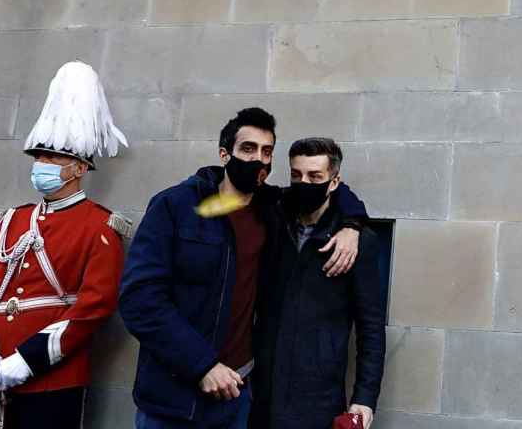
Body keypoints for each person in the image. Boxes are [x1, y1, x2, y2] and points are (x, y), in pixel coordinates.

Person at [119, 109, 368, 428]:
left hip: (237, 397)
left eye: (267, 152)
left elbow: (329, 188)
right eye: (248, 149)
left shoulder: (272, 208)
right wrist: (202, 366)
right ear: (225, 154)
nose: (258, 160)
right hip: (174, 400)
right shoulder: (174, 205)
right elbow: (139, 301)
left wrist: (352, 225)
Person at [0, 61, 131, 428]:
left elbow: (93, 308)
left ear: (79, 168)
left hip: (53, 381)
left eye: (54, 157)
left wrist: (25, 360)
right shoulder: (10, 221)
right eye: (39, 156)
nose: (42, 163)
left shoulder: (100, 227)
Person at [253, 138, 386, 429]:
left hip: (316, 401)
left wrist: (364, 397)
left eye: (315, 177)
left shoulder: (358, 244)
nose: (304, 183)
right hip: (259, 393)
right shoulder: (272, 220)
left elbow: (371, 327)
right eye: (296, 175)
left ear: (334, 181)